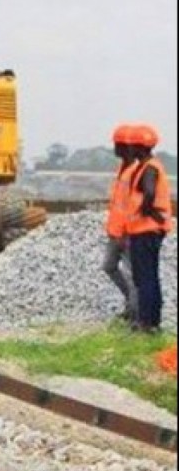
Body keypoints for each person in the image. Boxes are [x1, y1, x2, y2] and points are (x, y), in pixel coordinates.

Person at [123, 123, 172, 333]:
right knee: (148, 276)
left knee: (145, 278)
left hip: (147, 229)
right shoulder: (148, 166)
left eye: (131, 146)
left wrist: (143, 211)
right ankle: (152, 322)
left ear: (139, 147)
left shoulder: (149, 168)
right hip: (147, 229)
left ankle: (147, 323)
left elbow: (149, 193)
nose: (128, 149)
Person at [103, 125, 139, 323]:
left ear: (127, 146)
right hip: (115, 230)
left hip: (128, 231)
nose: (114, 148)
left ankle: (134, 316)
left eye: (117, 144)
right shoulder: (122, 169)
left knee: (132, 275)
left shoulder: (136, 170)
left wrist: (128, 228)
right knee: (108, 266)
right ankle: (129, 300)